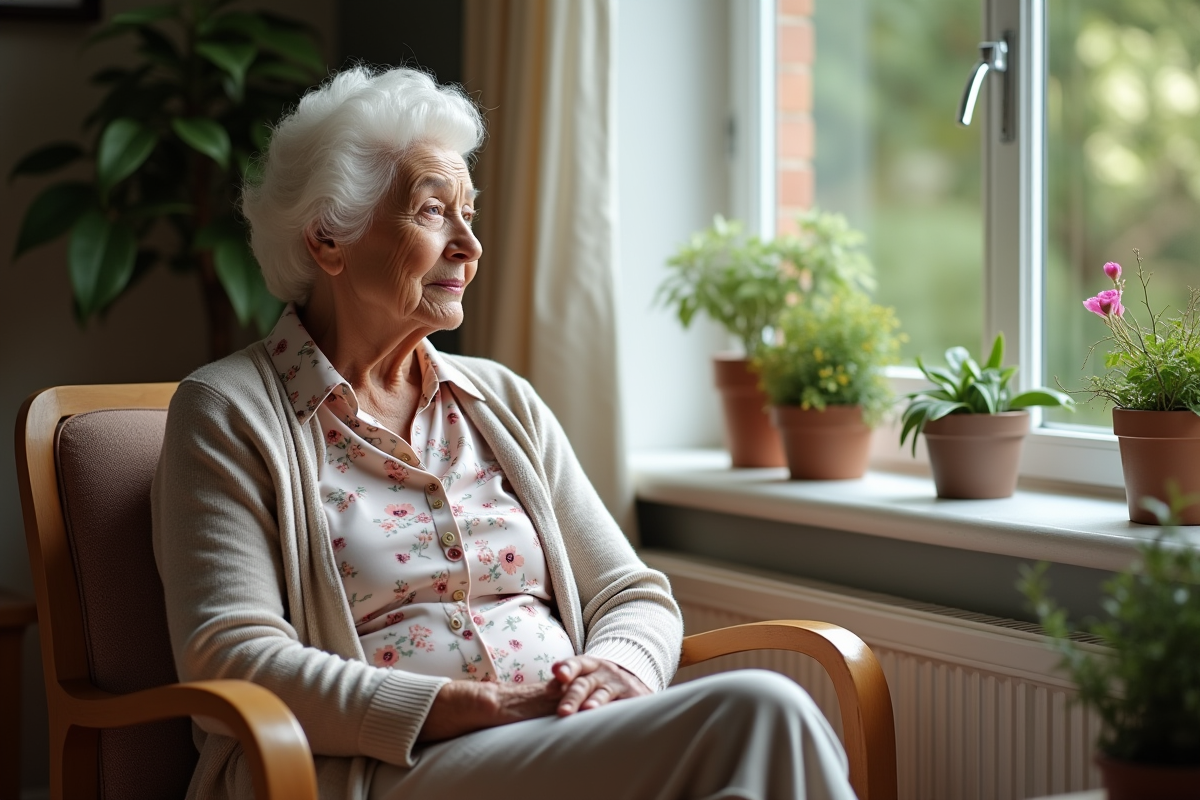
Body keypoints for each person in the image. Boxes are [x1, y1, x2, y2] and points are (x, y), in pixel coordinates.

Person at [152, 65, 857, 800]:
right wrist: (446, 710)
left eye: (470, 213)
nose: (470, 244)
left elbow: (629, 590)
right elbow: (231, 655)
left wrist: (620, 670)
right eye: (432, 212)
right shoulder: (227, 412)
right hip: (382, 769)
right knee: (761, 716)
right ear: (329, 240)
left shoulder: (500, 401)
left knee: (769, 719)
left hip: (564, 739)